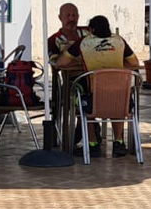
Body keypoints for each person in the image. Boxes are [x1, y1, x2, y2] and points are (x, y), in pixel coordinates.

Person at [56, 15, 139, 158]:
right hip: (122, 101)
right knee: (116, 103)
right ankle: (118, 142)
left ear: (92, 29)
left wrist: (80, 62)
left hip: (93, 101)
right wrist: (115, 64)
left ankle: (92, 144)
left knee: (81, 103)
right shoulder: (119, 41)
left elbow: (60, 63)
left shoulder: (84, 42)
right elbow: (135, 63)